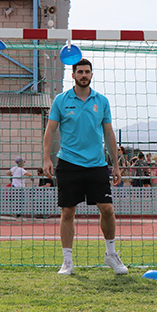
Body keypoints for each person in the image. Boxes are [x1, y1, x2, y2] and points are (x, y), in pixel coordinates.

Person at [42, 58, 128, 276]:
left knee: (107, 209)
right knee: (67, 211)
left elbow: (108, 133)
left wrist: (115, 165)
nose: (83, 75)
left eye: (87, 72)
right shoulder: (61, 100)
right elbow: (50, 131)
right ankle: (67, 262)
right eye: (79, 72)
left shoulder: (102, 101)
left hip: (97, 165)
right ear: (73, 75)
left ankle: (111, 254)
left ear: (91, 75)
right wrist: (46, 159)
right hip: (69, 163)